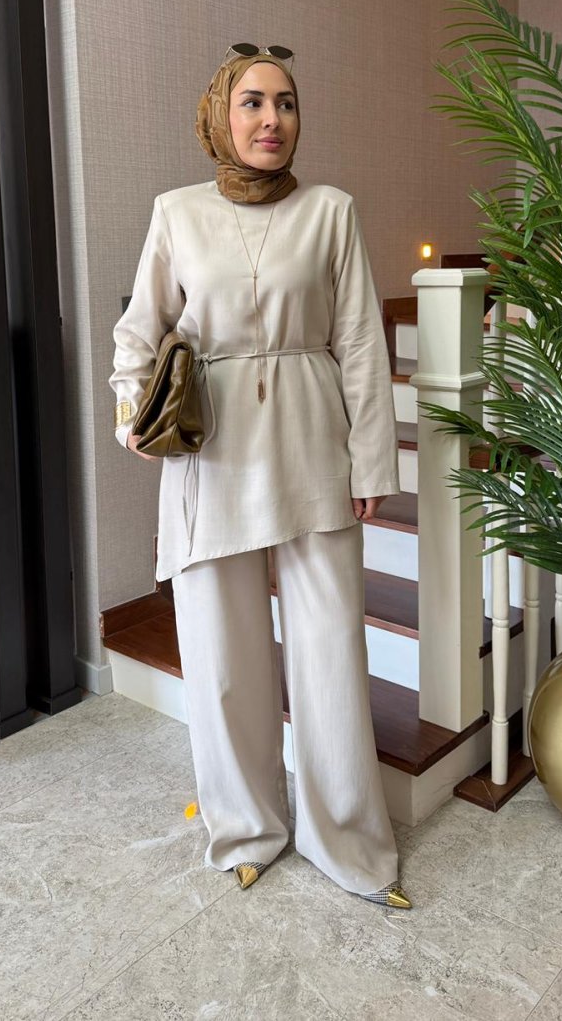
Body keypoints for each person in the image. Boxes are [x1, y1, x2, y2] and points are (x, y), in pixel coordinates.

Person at [109, 44, 411, 908]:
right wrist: (132, 411)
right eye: (252, 102)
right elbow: (140, 329)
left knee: (329, 648)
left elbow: (360, 343)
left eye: (285, 102)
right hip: (214, 449)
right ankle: (246, 826)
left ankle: (346, 837)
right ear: (221, 114)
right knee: (222, 649)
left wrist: (371, 459)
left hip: (313, 440)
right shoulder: (177, 213)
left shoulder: (332, 212)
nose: (271, 119)